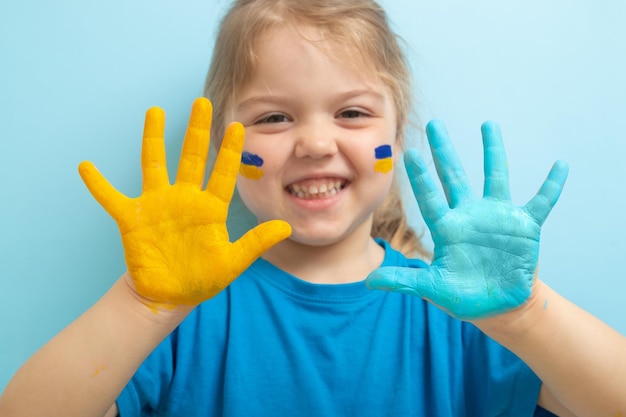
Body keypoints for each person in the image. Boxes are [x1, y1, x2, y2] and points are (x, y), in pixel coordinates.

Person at [1, 0, 624, 416]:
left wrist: (529, 314)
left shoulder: (462, 312)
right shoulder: (183, 314)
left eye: (352, 113)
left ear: (397, 131)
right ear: (225, 145)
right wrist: (141, 305)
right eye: (274, 117)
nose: (317, 143)